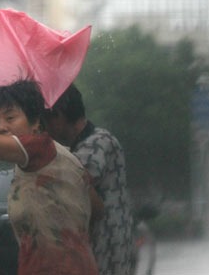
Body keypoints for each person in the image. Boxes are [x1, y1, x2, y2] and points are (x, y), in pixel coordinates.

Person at [0, 64, 104, 275]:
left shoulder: (37, 148)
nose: (1, 127)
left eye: (10, 117)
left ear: (35, 123)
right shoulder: (63, 159)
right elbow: (98, 209)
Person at [43, 84, 134, 275]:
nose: (46, 128)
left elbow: (70, 184)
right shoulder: (84, 145)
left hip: (107, 249)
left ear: (58, 115)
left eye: (46, 120)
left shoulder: (97, 143)